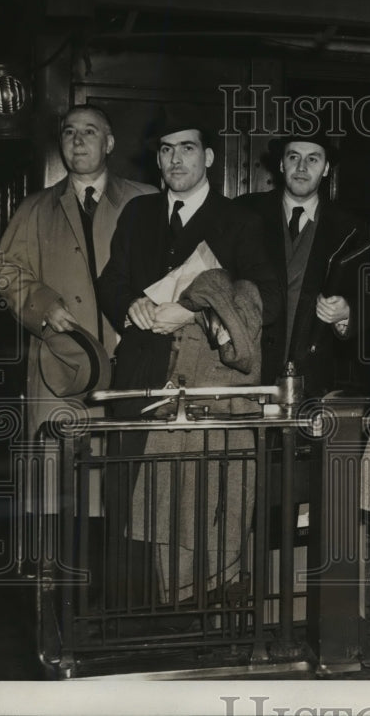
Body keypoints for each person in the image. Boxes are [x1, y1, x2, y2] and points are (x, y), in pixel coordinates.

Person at [96, 111, 280, 604]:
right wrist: (129, 304)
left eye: (187, 149)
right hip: (138, 380)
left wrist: (194, 310)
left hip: (200, 390)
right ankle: (132, 621)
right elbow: (110, 281)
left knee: (195, 511)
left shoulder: (240, 220)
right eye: (166, 150)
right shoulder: (138, 213)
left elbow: (268, 296)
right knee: (132, 503)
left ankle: (191, 618)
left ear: (210, 158)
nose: (175, 159)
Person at [0, 104, 155, 442]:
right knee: (58, 478)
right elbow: (6, 270)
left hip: (132, 372)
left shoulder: (147, 201)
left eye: (89, 131)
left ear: (109, 143)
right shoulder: (34, 208)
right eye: (69, 132)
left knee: (124, 480)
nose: (77, 140)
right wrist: (43, 305)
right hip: (60, 369)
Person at [235, 129, 370, 395]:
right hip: (248, 369)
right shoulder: (245, 212)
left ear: (326, 168)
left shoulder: (352, 228)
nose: (301, 167)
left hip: (314, 377)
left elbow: (369, 298)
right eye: (294, 157)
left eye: (313, 159)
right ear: (280, 164)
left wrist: (347, 312)